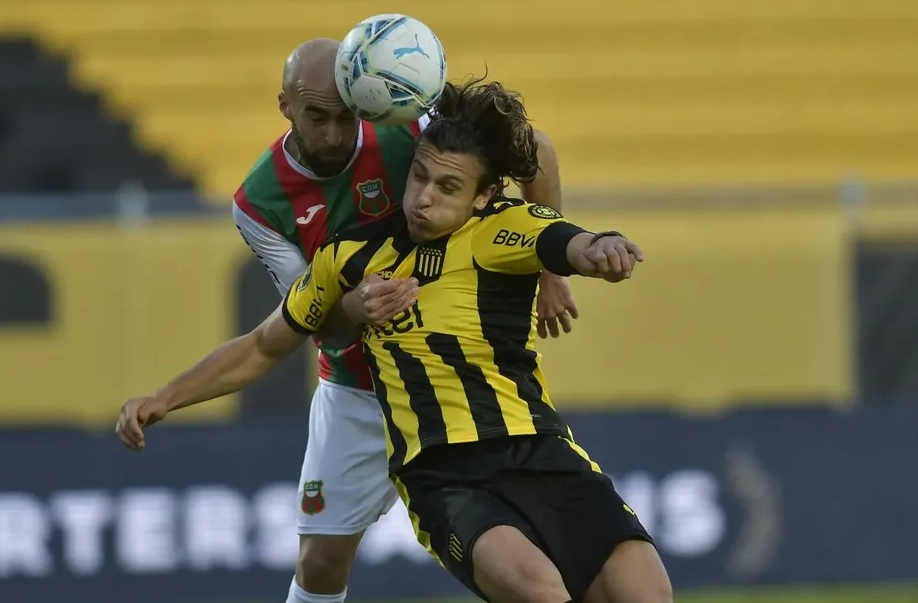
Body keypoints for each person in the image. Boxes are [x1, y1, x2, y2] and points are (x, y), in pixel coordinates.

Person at [117, 76, 672, 603]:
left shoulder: (499, 229)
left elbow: (566, 237)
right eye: (419, 178)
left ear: (482, 197)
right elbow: (267, 343)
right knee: (536, 590)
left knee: (643, 590)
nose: (424, 197)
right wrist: (163, 397)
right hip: (441, 469)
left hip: (539, 448)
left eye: (448, 186)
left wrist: (599, 250)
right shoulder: (346, 257)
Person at [228, 38, 576, 603]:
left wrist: (549, 270)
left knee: (534, 553)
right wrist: (351, 307)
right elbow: (309, 319)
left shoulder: (407, 125)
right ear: (285, 106)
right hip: (357, 388)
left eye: (346, 115)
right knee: (319, 562)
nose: (336, 134)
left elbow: (534, 148)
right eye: (317, 117)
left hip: (454, 375)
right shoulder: (258, 202)